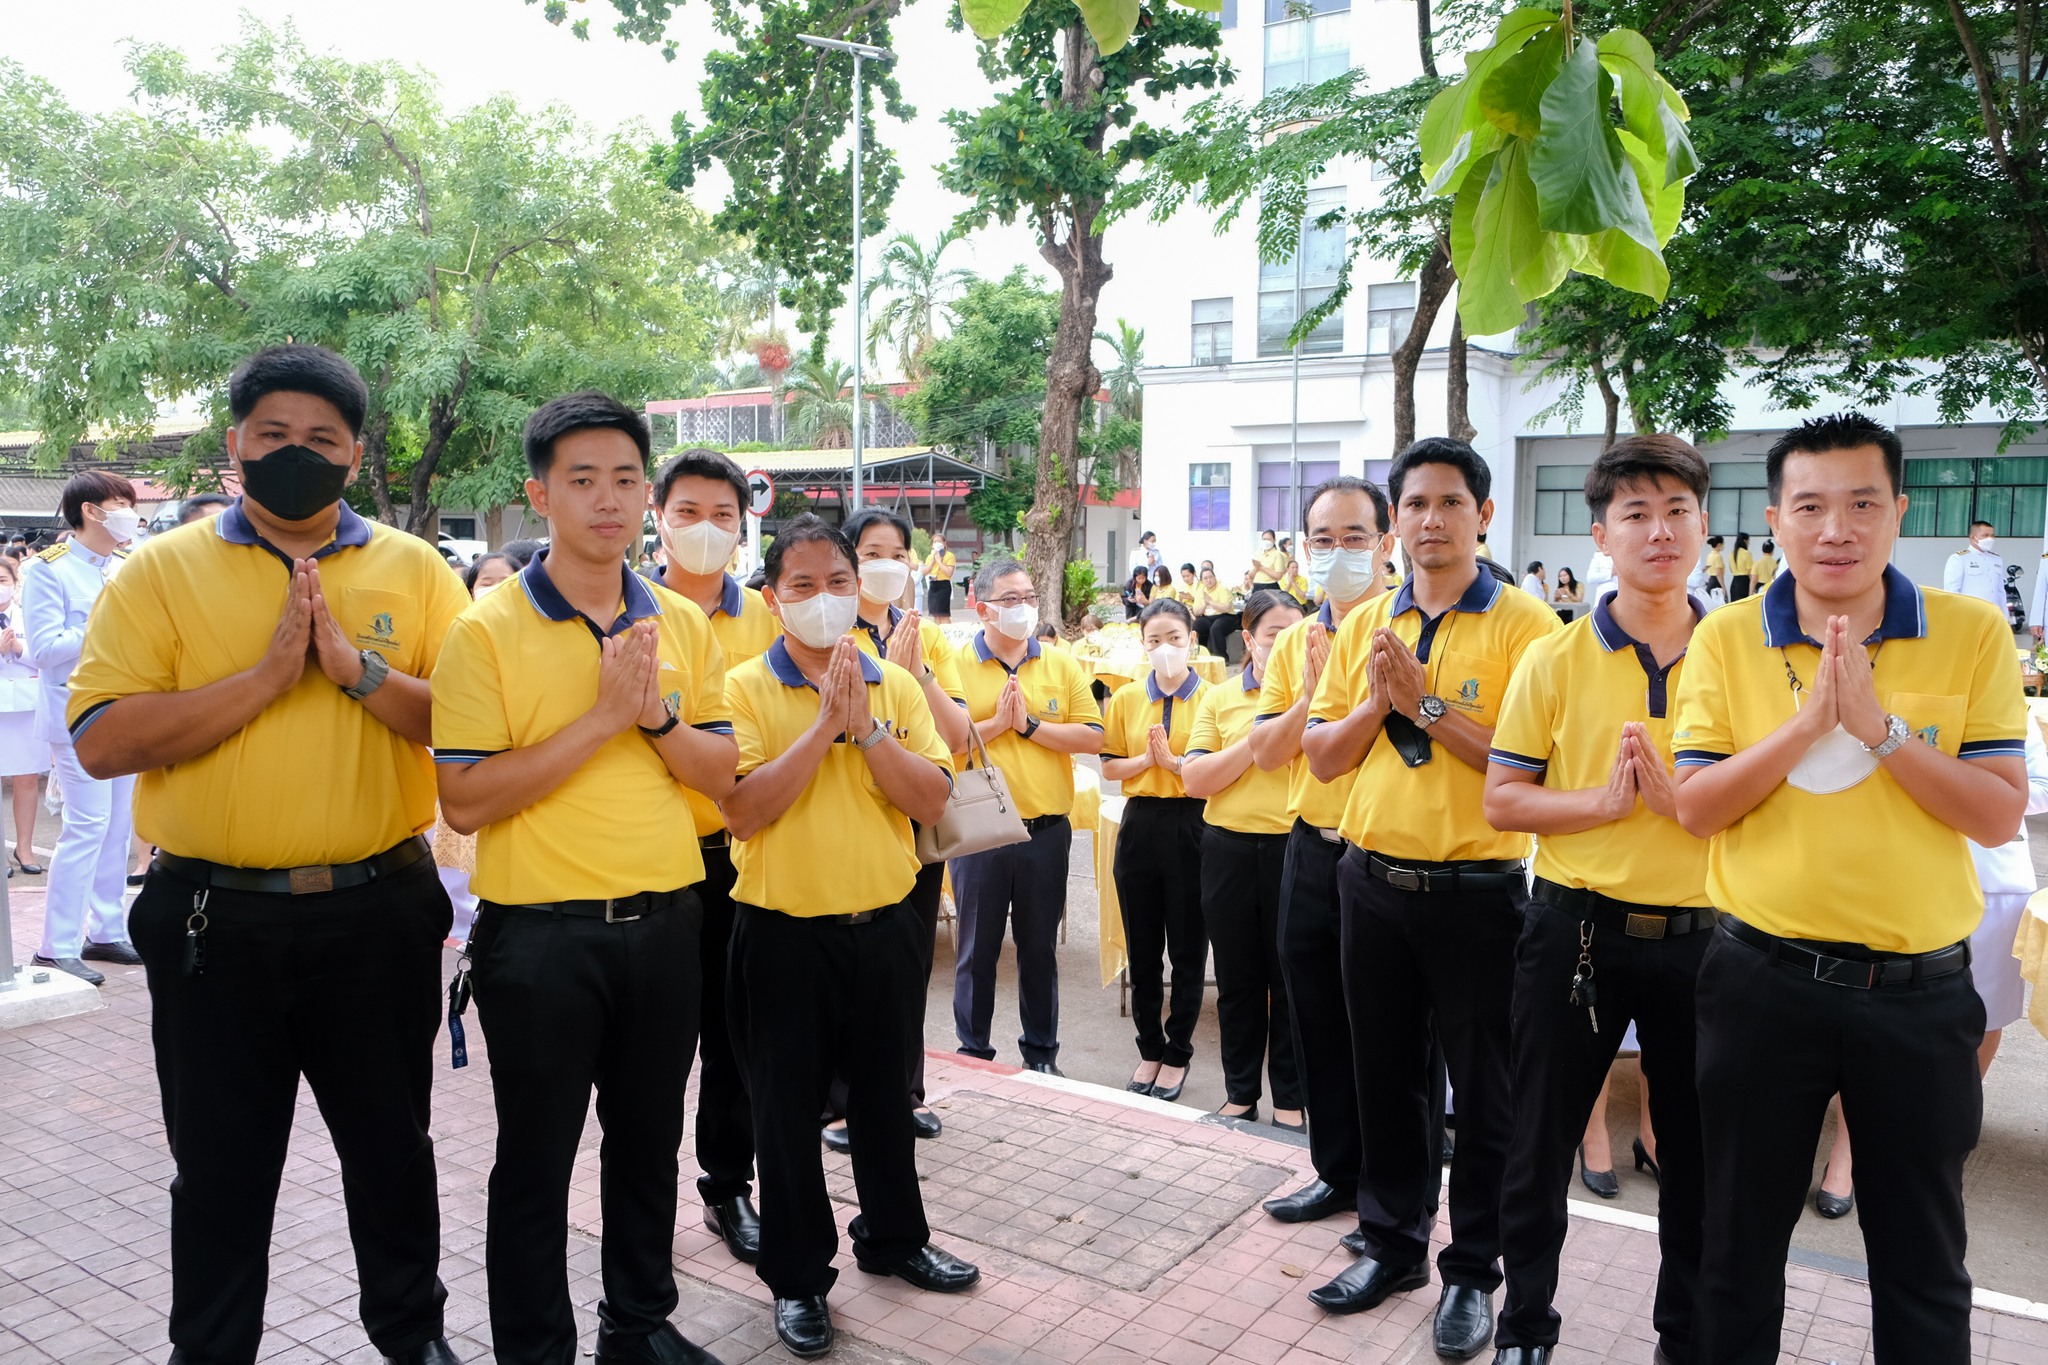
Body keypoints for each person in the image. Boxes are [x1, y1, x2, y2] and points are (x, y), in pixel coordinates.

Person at [68, 344, 469, 1364]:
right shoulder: (160, 571)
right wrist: (260, 680)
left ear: (356, 452)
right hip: (214, 924)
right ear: (235, 444)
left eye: (322, 440)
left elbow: (468, 728)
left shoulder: (417, 571)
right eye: (275, 436)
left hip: (377, 914)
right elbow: (104, 739)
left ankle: (413, 1341)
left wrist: (351, 668)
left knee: (392, 1155)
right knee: (218, 1171)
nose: (298, 454)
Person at [1671, 411, 2028, 1365]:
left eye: (1863, 503)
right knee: (1737, 1244)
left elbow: (1998, 814)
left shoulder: (1970, 632)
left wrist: (1880, 730)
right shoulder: (1727, 638)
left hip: (1919, 998)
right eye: (1812, 505)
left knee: (1922, 1260)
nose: (1838, 528)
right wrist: (1810, 723)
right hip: (1761, 986)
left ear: (1899, 512)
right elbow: (1697, 808)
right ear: (1776, 520)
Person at [434, 394, 736, 1365]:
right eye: (580, 480)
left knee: (647, 1147)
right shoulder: (484, 630)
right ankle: (533, 1348)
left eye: (623, 479)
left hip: (665, 927)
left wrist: (651, 720)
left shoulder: (680, 624)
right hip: (539, 942)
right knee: (534, 1163)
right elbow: (467, 800)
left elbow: (721, 773)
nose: (607, 500)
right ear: (539, 494)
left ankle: (637, 1327)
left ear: (645, 492)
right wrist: (602, 721)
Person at [1301, 438, 1561, 1357]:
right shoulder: (1369, 620)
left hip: (1480, 893)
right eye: (1414, 504)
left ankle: (1472, 1270)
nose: (1430, 520)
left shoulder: (1529, 626)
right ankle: (1393, 1240)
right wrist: (1381, 701)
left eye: (1450, 502)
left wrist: (1429, 707)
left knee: (1486, 1095)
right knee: (1387, 1077)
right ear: (1396, 519)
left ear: (1482, 515)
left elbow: (1530, 764)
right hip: (1370, 881)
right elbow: (1324, 756)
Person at [721, 514, 978, 1359]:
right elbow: (747, 810)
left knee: (883, 1099)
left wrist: (865, 727)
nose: (825, 599)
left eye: (839, 581)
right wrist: (823, 727)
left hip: (884, 927)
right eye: (803, 585)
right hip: (782, 935)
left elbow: (933, 801)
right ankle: (799, 1279)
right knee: (785, 1113)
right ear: (772, 598)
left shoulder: (894, 688)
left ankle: (896, 1237)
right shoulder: (742, 688)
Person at [1483, 434, 1716, 1365]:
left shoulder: (1741, 653)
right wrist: (1604, 803)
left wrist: (1685, 804)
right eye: (1636, 514)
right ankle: (1526, 1325)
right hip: (1573, 929)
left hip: (1707, 940)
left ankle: (1684, 1338)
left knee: (1698, 1159)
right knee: (1537, 1142)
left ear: (1704, 525)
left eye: (1677, 511)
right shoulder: (1555, 657)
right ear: (1601, 534)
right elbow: (1503, 797)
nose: (1659, 531)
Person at [1250, 475, 1426, 1234]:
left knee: (1395, 1043)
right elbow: (1265, 750)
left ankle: (1399, 1200)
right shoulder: (1295, 640)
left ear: (1386, 543)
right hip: (1310, 852)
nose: (1338, 552)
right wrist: (1310, 698)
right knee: (1315, 1017)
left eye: (1355, 536)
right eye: (1323, 540)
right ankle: (1337, 1172)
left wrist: (1355, 707)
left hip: (1386, 858)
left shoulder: (1416, 627)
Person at [652, 448, 783, 1268]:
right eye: (689, 511)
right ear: (656, 515)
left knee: (736, 1038)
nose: (707, 529)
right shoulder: (632, 609)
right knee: (657, 1047)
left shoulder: (769, 618)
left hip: (746, 856)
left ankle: (727, 1186)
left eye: (724, 516)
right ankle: (642, 1199)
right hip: (659, 861)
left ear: (743, 527)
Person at [833, 506, 972, 1148]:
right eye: (869, 553)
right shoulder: (833, 633)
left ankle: (904, 1092)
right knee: (844, 967)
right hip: (850, 825)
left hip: (916, 820)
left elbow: (958, 734)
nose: (884, 565)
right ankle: (838, 1101)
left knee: (908, 963)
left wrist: (915, 674)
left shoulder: (928, 636)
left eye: (895, 553)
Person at [950, 556, 1104, 1077]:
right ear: (982, 606)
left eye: (1030, 598)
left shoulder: (1061, 664)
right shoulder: (954, 665)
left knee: (1039, 947)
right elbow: (945, 742)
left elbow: (1092, 735)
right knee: (976, 947)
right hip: (978, 829)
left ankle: (1042, 1056)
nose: (1023, 608)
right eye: (1010, 600)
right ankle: (973, 1053)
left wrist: (1032, 727)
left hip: (1045, 832)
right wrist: (997, 724)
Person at [1182, 589, 1306, 1129]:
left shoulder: (1318, 700)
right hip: (1228, 849)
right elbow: (1195, 779)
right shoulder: (1219, 699)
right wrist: (1260, 740)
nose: (1285, 646)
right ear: (1248, 637)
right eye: (1275, 635)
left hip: (1293, 849)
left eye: (1297, 634)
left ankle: (1290, 1101)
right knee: (1238, 980)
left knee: (1293, 982)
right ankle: (1238, 1094)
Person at [24, 470, 143, 983]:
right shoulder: (49, 570)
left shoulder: (121, 566)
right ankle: (56, 945)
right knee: (86, 827)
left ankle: (107, 931)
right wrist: (104, 615)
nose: (129, 515)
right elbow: (45, 649)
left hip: (126, 710)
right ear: (91, 511)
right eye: (121, 504)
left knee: (117, 829)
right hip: (77, 714)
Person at [1101, 597, 1210, 1102]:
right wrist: (1148, 758)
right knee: (1142, 946)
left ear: (1192, 640)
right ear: (1141, 644)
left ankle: (1179, 1052)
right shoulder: (1124, 699)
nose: (1164, 648)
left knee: (1188, 946)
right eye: (1153, 640)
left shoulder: (1212, 697)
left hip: (1192, 824)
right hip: (1140, 824)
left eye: (1174, 638)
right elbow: (1109, 767)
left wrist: (1174, 764)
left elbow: (1215, 777)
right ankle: (1149, 1046)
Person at [0, 554, 47, 881]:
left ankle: (25, 848)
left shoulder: (28, 616)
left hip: (26, 707)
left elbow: (48, 656)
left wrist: (18, 649)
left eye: (2, 581)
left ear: (15, 585)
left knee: (27, 779)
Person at [1943, 519, 2006, 614]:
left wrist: (2005, 616)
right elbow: (1952, 591)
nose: (1990, 539)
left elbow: (2000, 591)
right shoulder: (1959, 558)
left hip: (1993, 614)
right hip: (1970, 614)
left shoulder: (1996, 559)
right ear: (1973, 538)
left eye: (1992, 535)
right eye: (1985, 535)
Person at [1192, 563, 1239, 658]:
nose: (1209, 580)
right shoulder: (1200, 591)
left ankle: (1221, 658)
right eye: (1205, 578)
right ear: (1202, 581)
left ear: (1215, 577)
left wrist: (1210, 601)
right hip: (1208, 617)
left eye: (1211, 577)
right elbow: (1196, 612)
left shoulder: (1222, 588)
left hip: (1226, 616)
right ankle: (1199, 654)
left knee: (1216, 628)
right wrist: (1205, 603)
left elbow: (1226, 608)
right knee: (1197, 625)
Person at [921, 533, 957, 622]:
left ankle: (946, 632)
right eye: (935, 541)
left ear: (944, 543)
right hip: (933, 585)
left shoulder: (949, 555)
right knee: (935, 614)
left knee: (943, 614)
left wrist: (939, 561)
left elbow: (949, 573)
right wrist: (933, 561)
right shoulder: (930, 557)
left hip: (943, 585)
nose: (937, 543)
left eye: (939, 541)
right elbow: (924, 572)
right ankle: (937, 633)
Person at [1729, 532, 1755, 601]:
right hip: (1744, 583)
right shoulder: (1747, 553)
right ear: (1745, 541)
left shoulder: (1732, 553)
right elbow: (1750, 573)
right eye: (1748, 541)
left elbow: (1731, 569)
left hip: (1734, 583)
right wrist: (1752, 589)